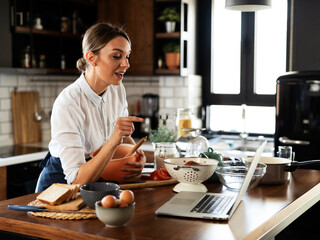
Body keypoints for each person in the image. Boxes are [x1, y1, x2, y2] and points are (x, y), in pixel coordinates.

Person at [36, 22, 146, 192]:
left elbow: (122, 137)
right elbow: (76, 180)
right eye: (117, 56)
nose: (126, 64)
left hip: (98, 177)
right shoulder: (68, 104)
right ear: (91, 58)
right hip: (60, 186)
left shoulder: (117, 89)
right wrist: (114, 140)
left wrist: (136, 155)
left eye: (127, 56)